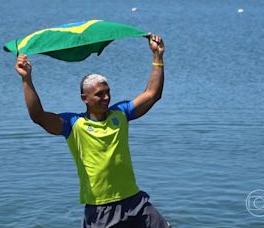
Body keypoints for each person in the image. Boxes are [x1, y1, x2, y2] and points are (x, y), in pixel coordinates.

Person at [15, 34, 170, 228]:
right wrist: (26, 79)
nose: (106, 98)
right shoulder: (74, 125)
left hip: (135, 201)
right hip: (101, 209)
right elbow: (38, 116)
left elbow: (152, 94)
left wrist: (157, 56)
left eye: (108, 92)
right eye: (99, 94)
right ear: (84, 98)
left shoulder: (120, 115)